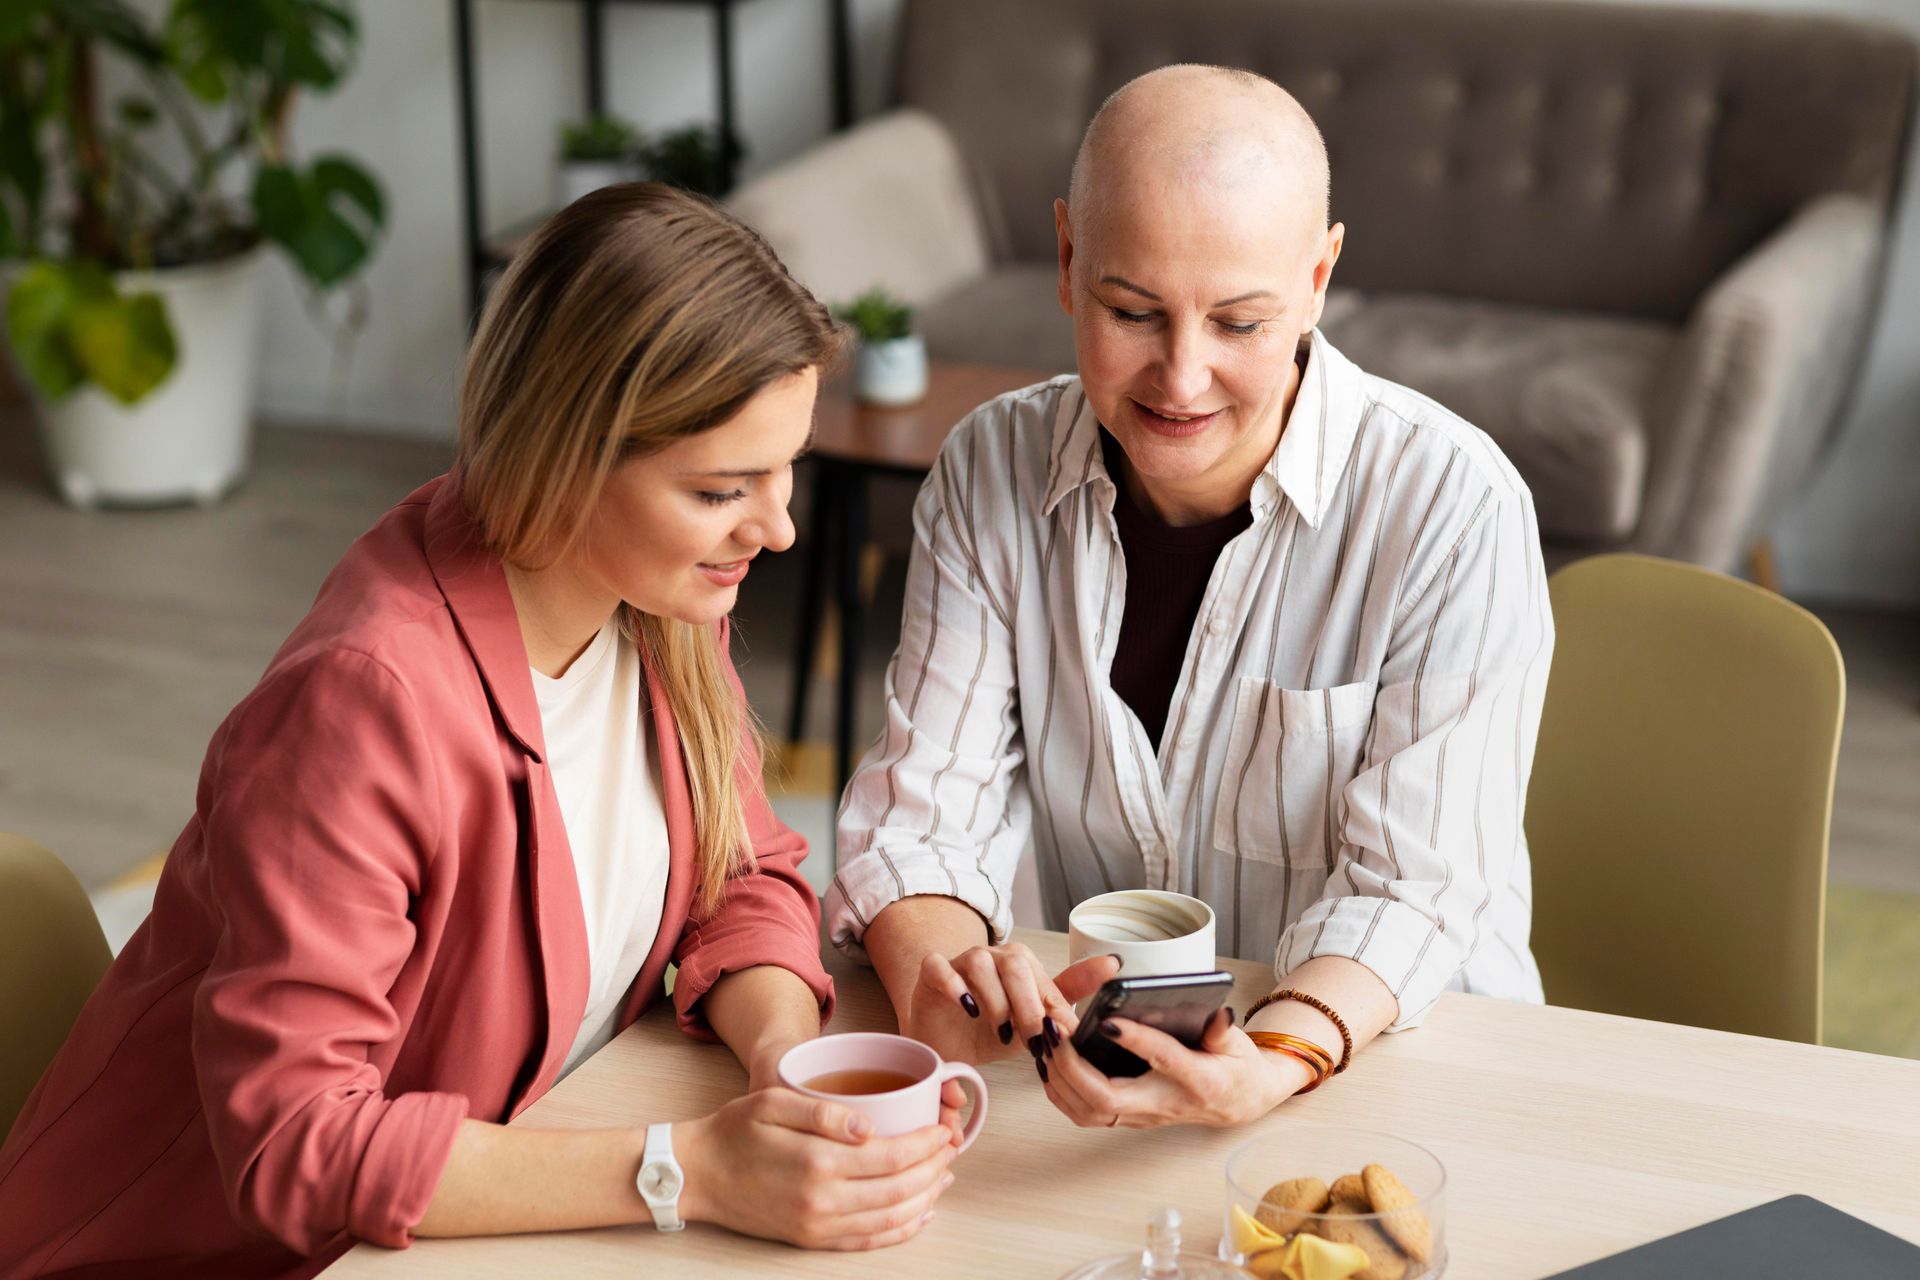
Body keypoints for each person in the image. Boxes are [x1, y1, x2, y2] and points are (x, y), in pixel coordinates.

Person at [0, 185, 957, 1279]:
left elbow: (741, 876)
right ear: (567, 453)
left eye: (786, 469)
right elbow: (294, 1142)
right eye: (721, 488)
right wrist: (687, 1168)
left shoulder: (654, 604)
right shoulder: (363, 706)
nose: (777, 526)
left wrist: (779, 1052)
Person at [826, 65, 1554, 1130]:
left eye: (1241, 324)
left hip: (1392, 1061)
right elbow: (922, 814)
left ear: (1318, 277)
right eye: (1134, 310)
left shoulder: (1452, 504)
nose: (1181, 376)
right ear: (1069, 259)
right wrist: (946, 974)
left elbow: (1416, 889)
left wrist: (1277, 1052)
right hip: (1102, 1080)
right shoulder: (991, 468)